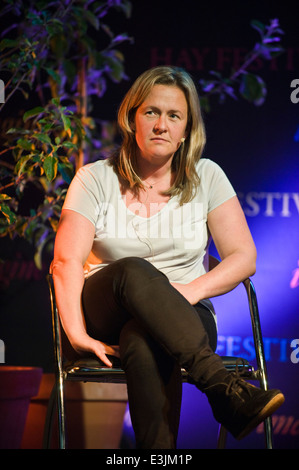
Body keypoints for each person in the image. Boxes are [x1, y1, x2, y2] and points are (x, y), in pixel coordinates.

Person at [52, 66, 284, 449]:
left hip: (184, 317)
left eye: (173, 115)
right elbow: (65, 262)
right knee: (132, 269)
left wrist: (188, 292)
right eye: (151, 112)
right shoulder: (94, 178)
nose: (162, 124)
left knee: (143, 338)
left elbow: (243, 257)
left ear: (185, 131)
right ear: (132, 119)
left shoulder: (207, 176)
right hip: (105, 309)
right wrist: (75, 335)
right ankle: (224, 390)